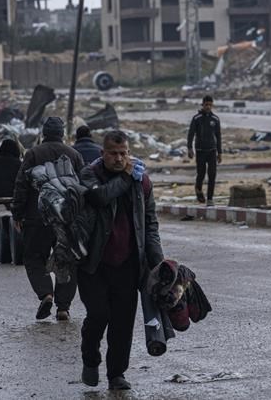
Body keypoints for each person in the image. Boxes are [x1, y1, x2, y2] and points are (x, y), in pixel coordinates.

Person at [77, 130, 163, 391]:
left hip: (128, 264)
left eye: (123, 153)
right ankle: (90, 359)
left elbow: (150, 223)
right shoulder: (90, 174)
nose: (119, 158)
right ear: (103, 153)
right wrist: (126, 176)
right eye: (113, 153)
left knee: (123, 323)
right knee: (98, 315)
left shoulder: (141, 181)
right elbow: (99, 197)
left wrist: (157, 261)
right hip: (94, 263)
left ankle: (116, 374)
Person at [12, 117, 85, 322]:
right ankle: (63, 307)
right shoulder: (74, 155)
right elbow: (84, 186)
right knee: (68, 260)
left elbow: (21, 184)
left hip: (37, 218)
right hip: (67, 219)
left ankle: (46, 294)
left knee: (34, 257)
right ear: (62, 134)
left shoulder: (33, 154)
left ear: (44, 133)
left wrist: (17, 213)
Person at [186, 95, 222, 205]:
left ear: (212, 105)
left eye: (210, 105)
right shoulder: (197, 118)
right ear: (203, 105)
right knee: (201, 174)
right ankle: (198, 189)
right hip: (200, 150)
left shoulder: (215, 119)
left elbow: (218, 136)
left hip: (212, 150)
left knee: (212, 174)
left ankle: (210, 198)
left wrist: (220, 152)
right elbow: (191, 134)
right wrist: (189, 148)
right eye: (206, 104)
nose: (208, 107)